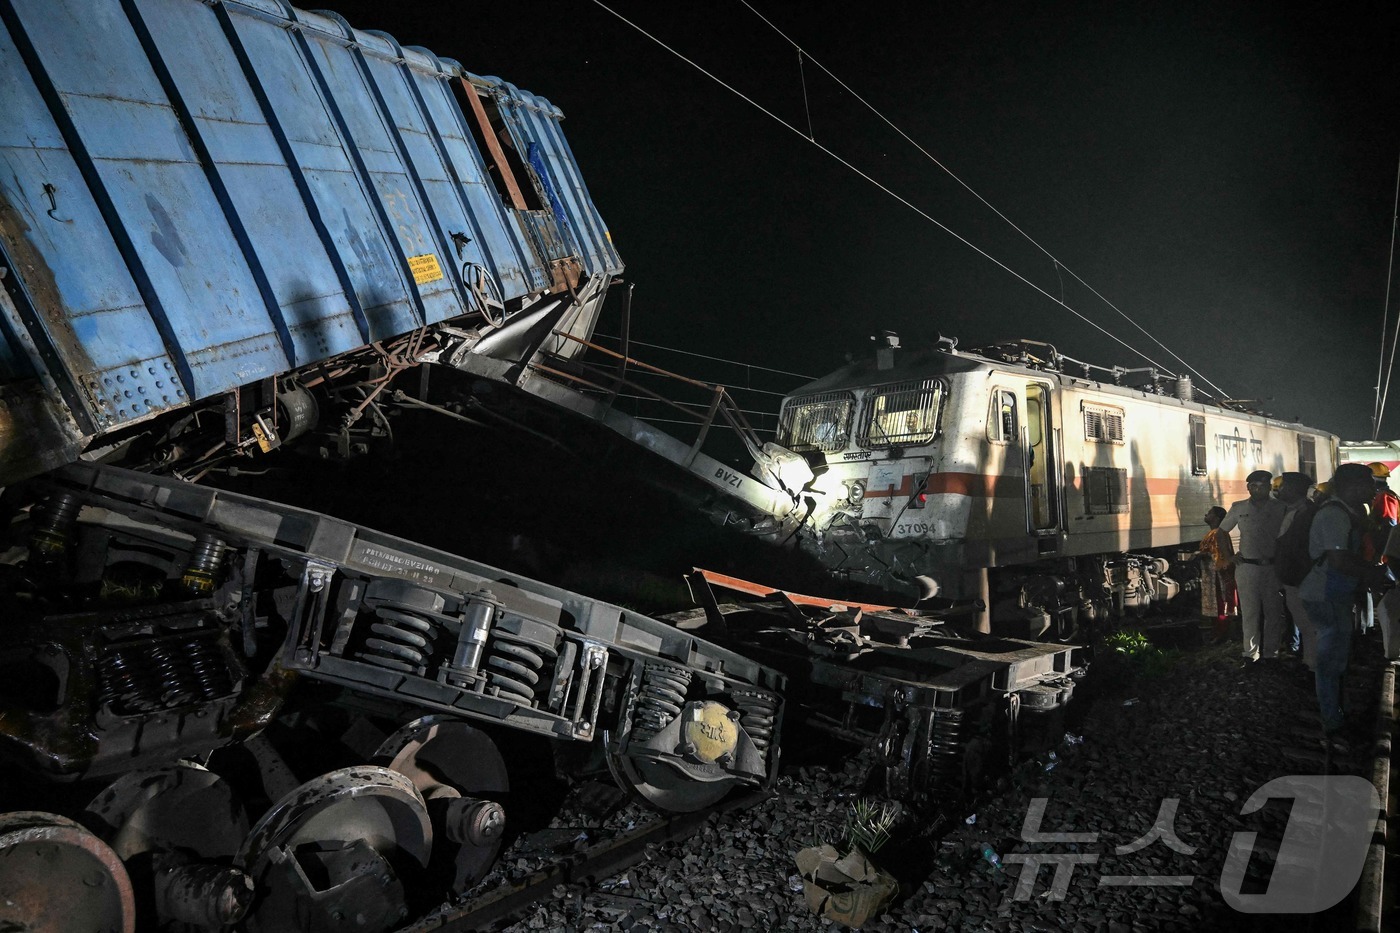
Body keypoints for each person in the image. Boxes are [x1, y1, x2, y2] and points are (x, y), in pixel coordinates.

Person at [1299, 462, 1381, 750]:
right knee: (1330, 663)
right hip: (1325, 594)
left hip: (1333, 593)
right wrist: (1374, 574)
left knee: (1335, 658)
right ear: (1352, 486)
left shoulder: (1344, 511)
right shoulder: (1334, 514)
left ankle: (1337, 712)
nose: (1374, 490)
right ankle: (1332, 722)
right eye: (1370, 484)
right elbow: (1339, 560)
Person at [1218, 469, 1287, 665]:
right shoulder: (1238, 507)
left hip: (1273, 566)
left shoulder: (1280, 507)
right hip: (1247, 566)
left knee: (1273, 612)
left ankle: (1271, 653)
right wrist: (1229, 556)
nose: (1257, 490)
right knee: (1249, 612)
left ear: (1268, 487)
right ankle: (1250, 653)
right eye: (1253, 486)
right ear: (1248, 487)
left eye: (1261, 486)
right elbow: (1222, 531)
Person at [1275, 472, 1316, 671]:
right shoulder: (1293, 511)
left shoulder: (1307, 512)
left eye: (1283, 486)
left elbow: (1300, 547)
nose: (1279, 490)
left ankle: (1312, 665)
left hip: (1301, 578)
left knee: (1308, 624)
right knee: (1303, 621)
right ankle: (1308, 661)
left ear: (1293, 489)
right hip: (1293, 578)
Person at [1198, 506, 1237, 640]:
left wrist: (1199, 555)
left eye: (1209, 513)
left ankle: (1221, 634)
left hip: (1218, 575)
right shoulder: (1215, 533)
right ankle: (1218, 632)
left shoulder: (1217, 533)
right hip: (1213, 573)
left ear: (1216, 518)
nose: (1206, 514)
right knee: (1218, 606)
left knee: (1220, 605)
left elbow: (1217, 555)